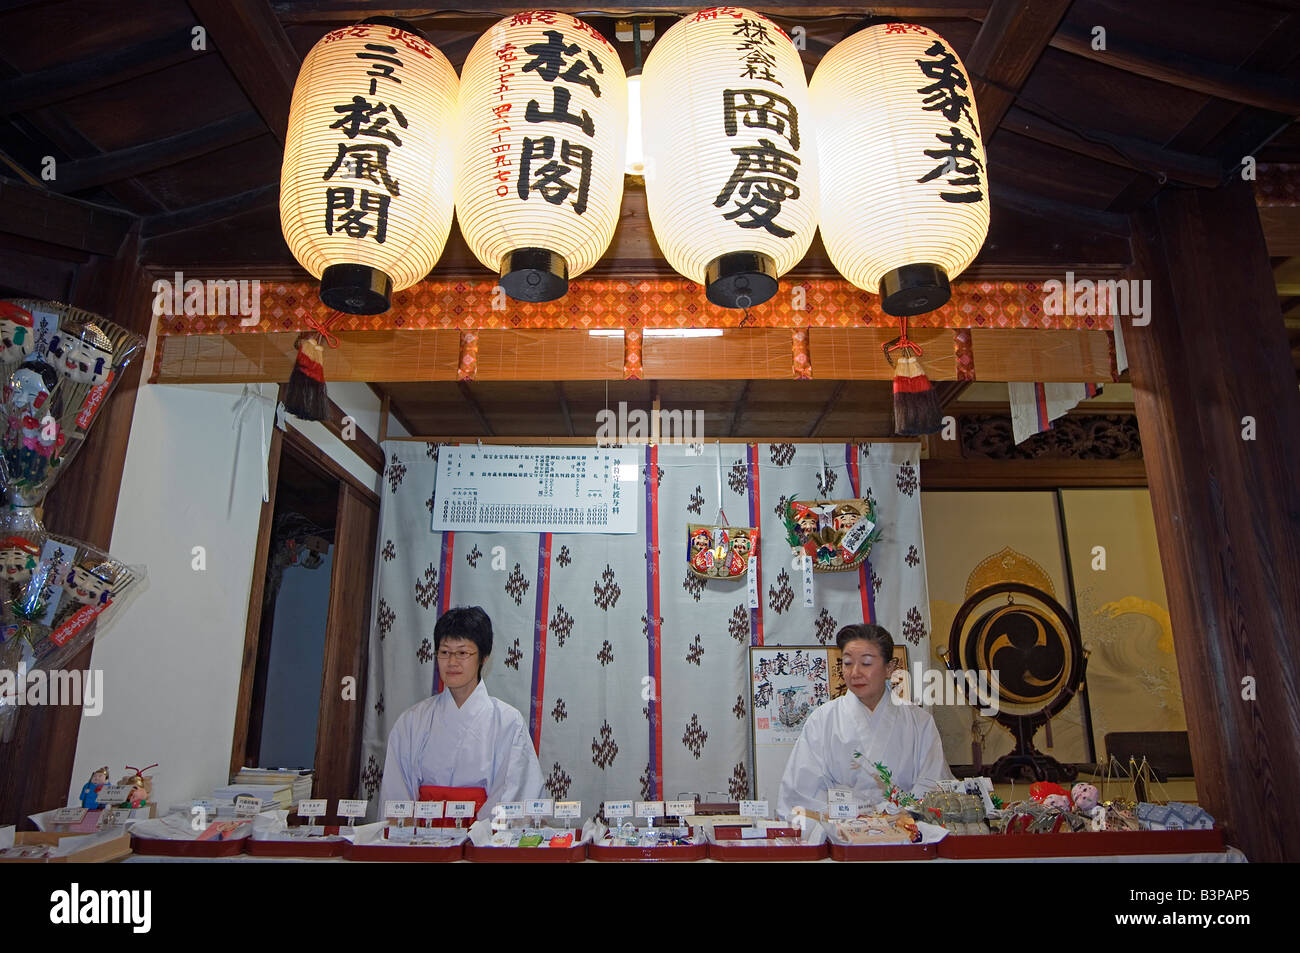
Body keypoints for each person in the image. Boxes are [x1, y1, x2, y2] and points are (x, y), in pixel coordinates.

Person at [379, 606, 543, 823]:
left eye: (463, 653)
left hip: (482, 847)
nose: (452, 662)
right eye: (444, 652)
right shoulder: (412, 721)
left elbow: (513, 796)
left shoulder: (508, 723)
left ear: (483, 657)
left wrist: (475, 840)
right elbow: (396, 794)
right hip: (421, 843)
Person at [777, 623, 952, 820]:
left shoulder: (919, 722)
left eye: (866, 663)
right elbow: (802, 791)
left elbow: (933, 783)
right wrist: (848, 817)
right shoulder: (823, 720)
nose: (855, 673)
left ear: (889, 668)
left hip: (904, 830)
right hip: (842, 831)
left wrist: (898, 814)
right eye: (848, 663)